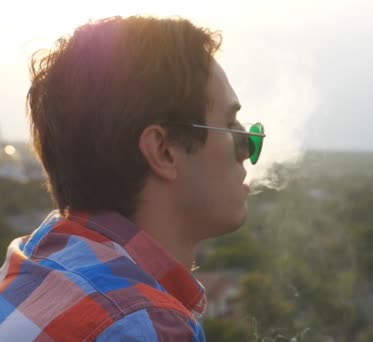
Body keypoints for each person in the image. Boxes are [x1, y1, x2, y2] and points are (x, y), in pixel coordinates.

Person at [0, 15, 265, 341]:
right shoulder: (143, 325)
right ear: (164, 151)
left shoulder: (31, 261)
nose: (250, 149)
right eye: (232, 126)